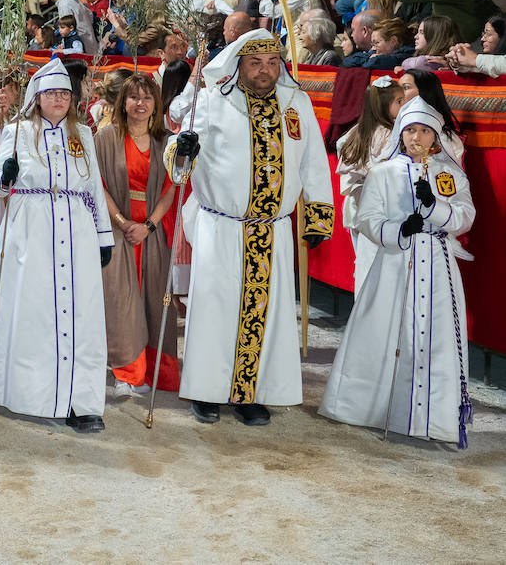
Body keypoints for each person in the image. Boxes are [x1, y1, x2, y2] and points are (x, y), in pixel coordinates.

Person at [168, 30, 334, 426]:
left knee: (267, 314)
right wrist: (182, 150)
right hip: (221, 228)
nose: (265, 71)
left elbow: (312, 162)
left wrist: (317, 216)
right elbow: (176, 159)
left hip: (272, 232)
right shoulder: (211, 102)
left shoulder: (297, 103)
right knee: (214, 310)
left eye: (273, 63)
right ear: (238, 64)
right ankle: (206, 392)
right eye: (256, 63)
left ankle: (251, 394)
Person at [319, 97, 476, 447]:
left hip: (438, 265)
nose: (416, 138)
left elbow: (466, 215)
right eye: (409, 131)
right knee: (387, 333)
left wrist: (434, 208)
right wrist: (400, 230)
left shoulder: (450, 174)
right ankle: (374, 410)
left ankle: (433, 418)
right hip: (394, 264)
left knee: (433, 339)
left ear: (435, 136)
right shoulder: (382, 173)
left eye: (423, 131)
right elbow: (368, 219)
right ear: (400, 134)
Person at [0, 59, 112, 432]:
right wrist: (4, 178)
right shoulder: (18, 131)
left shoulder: (83, 134)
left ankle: (81, 402)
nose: (59, 99)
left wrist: (103, 235)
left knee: (81, 314)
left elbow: (94, 187)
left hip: (76, 230)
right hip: (31, 232)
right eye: (52, 93)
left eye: (65, 94)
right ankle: (32, 394)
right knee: (35, 314)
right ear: (37, 97)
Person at [95, 72, 179, 397]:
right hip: (120, 233)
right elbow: (98, 185)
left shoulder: (167, 141)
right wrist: (122, 222)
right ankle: (126, 371)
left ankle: (157, 370)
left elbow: (172, 187)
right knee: (121, 303)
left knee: (156, 302)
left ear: (156, 104)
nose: (140, 103)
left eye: (147, 97)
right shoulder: (105, 138)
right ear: (123, 102)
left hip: (152, 233)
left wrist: (149, 226)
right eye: (134, 97)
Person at [335, 77, 405, 297]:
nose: (403, 106)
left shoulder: (358, 130)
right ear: (384, 105)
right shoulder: (390, 134)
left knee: (365, 267)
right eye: (399, 101)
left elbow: (342, 151)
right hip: (378, 210)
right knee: (379, 271)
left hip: (357, 208)